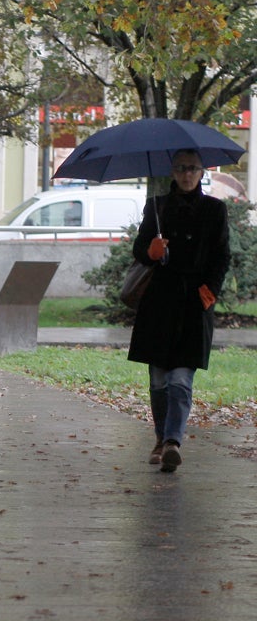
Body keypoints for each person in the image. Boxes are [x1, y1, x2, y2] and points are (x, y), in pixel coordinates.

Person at [128, 149, 230, 473]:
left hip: (194, 304)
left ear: (202, 173)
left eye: (193, 168)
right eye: (182, 168)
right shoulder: (157, 207)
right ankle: (161, 439)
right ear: (173, 172)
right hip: (159, 303)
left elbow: (221, 255)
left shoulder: (215, 210)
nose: (187, 174)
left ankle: (173, 441)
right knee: (159, 380)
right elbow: (139, 251)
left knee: (181, 380)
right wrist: (151, 251)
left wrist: (210, 291)